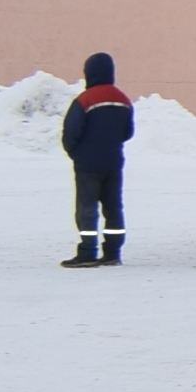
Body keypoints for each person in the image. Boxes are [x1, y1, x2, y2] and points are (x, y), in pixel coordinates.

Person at [60, 52, 135, 267]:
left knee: (87, 207)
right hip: (113, 161)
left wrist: (74, 152)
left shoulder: (85, 99)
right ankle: (112, 252)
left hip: (87, 164)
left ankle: (87, 252)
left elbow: (71, 131)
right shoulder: (123, 99)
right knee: (113, 207)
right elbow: (128, 132)